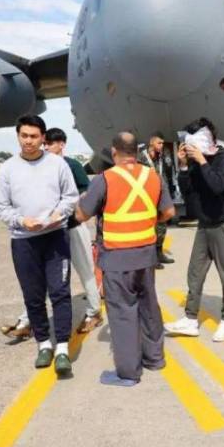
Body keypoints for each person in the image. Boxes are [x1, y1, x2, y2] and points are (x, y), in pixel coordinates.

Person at [75, 131, 176, 386]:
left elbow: (82, 215)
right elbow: (168, 212)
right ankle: (155, 359)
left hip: (118, 258)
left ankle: (129, 373)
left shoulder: (105, 178)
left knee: (122, 314)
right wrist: (146, 220)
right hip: (145, 255)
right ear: (135, 151)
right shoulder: (151, 175)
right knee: (149, 307)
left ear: (114, 151)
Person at [0, 115, 79, 375]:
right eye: (24, 136)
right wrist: (20, 220)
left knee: (60, 292)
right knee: (33, 295)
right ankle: (43, 343)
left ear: (43, 138)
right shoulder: (7, 169)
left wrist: (57, 215)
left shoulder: (57, 165)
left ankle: (62, 347)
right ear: (18, 137)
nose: (29, 141)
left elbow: (70, 197)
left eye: (34, 136)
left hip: (55, 238)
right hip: (23, 240)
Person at [0, 127, 103, 339]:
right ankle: (27, 319)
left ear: (61, 145)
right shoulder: (39, 167)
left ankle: (94, 311)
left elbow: (86, 193)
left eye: (50, 143)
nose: (46, 147)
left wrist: (67, 211)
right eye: (45, 143)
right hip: (47, 233)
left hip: (72, 227)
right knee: (40, 281)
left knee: (85, 271)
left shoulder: (71, 165)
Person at [165, 117, 224, 342]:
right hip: (204, 225)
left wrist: (203, 163)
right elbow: (188, 194)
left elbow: (217, 186)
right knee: (195, 273)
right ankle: (190, 319)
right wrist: (185, 167)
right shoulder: (196, 162)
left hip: (223, 224)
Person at [138, 131, 175, 267]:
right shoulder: (141, 156)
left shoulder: (163, 155)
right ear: (151, 142)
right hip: (146, 194)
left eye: (162, 143)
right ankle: (151, 258)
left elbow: (169, 170)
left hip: (161, 193)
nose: (161, 145)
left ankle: (159, 252)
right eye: (159, 143)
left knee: (162, 225)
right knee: (150, 226)